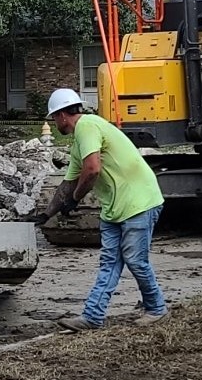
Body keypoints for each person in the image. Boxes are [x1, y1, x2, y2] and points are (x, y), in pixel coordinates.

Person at [39, 87, 167, 332]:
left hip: (139, 202)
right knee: (110, 263)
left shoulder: (88, 126)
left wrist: (75, 200)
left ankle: (156, 308)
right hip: (115, 207)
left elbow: (92, 170)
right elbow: (67, 183)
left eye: (54, 118)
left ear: (62, 115)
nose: (54, 123)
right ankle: (92, 317)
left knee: (135, 260)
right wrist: (46, 214)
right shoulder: (79, 142)